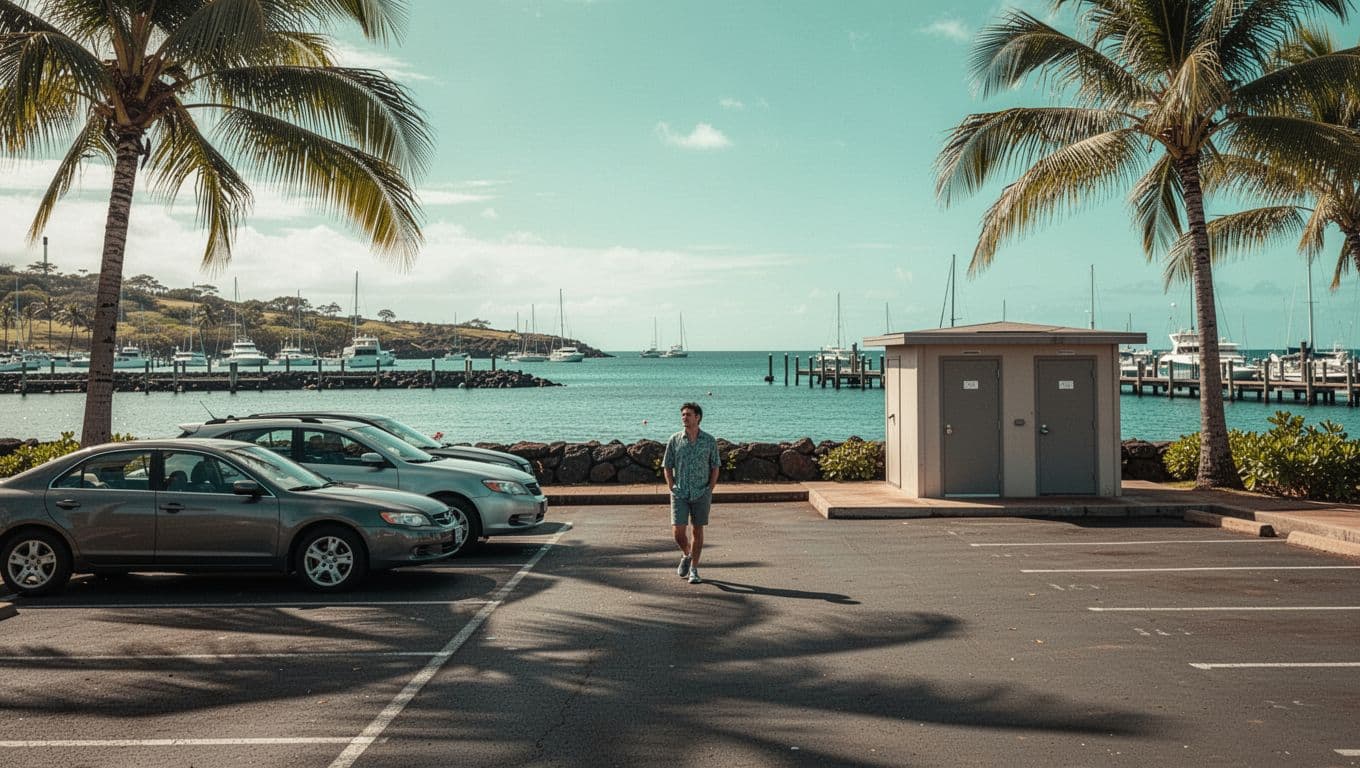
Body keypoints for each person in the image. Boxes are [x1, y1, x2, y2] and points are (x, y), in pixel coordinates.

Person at [663, 401, 720, 584]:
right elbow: (667, 465)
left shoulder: (709, 441)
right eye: (682, 415)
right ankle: (687, 554)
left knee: (697, 529)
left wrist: (710, 488)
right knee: (678, 532)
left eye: (688, 414)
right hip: (680, 492)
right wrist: (671, 485)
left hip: (701, 492)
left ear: (698, 417)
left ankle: (694, 569)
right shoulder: (675, 439)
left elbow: (715, 466)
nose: (684, 418)